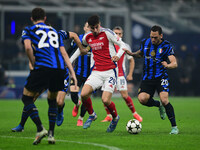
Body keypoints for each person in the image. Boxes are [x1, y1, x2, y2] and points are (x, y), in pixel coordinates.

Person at [18, 7, 85, 145]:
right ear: (45, 18)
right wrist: (73, 73)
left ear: (32, 19)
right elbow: (65, 54)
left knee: (27, 97)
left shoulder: (29, 30)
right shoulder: (54, 31)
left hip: (43, 67)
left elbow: (28, 48)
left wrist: (33, 63)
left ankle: (40, 128)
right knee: (52, 100)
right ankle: (51, 135)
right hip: (59, 69)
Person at [124, 25, 179, 134]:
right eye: (151, 37)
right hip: (147, 78)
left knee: (164, 99)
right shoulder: (145, 42)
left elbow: (174, 63)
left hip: (161, 77)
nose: (153, 39)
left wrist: (168, 65)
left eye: (155, 37)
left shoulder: (166, 46)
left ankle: (174, 127)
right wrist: (132, 54)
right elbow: (140, 54)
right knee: (142, 99)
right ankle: (158, 105)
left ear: (161, 36)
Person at [80, 15, 126, 132]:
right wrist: (70, 60)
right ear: (89, 27)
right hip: (96, 72)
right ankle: (92, 115)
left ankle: (115, 118)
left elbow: (123, 45)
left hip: (110, 71)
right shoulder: (87, 37)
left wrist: (118, 55)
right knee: (84, 94)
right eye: (92, 28)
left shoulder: (108, 33)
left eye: (96, 27)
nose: (95, 31)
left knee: (105, 100)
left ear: (99, 24)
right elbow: (81, 48)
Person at [101, 26, 143, 122]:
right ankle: (109, 116)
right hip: (109, 73)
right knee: (106, 96)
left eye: (120, 33)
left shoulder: (125, 46)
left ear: (122, 35)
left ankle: (135, 113)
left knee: (124, 95)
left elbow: (132, 60)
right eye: (116, 33)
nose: (118, 35)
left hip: (120, 74)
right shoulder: (108, 44)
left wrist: (130, 74)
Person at [56, 23, 91, 126]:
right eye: (87, 26)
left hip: (90, 73)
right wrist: (65, 61)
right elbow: (70, 50)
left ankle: (80, 118)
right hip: (78, 72)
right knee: (73, 93)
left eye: (91, 27)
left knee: (85, 96)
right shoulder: (78, 38)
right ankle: (77, 103)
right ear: (84, 28)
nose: (89, 28)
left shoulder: (95, 40)